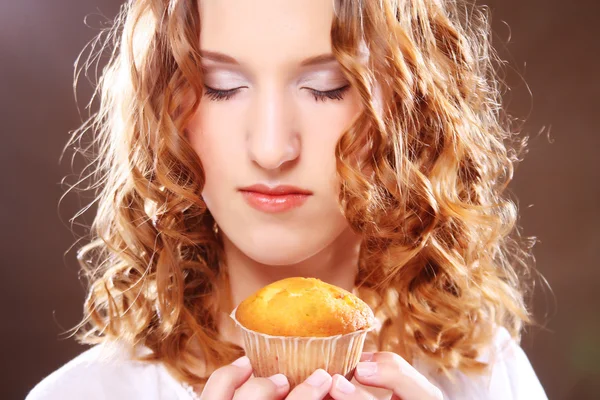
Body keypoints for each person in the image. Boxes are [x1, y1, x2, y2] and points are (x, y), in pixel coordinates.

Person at [28, 0, 548, 398]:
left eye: (327, 86)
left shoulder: (488, 378)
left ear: (409, 102)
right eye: (221, 85)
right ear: (164, 100)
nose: (272, 148)